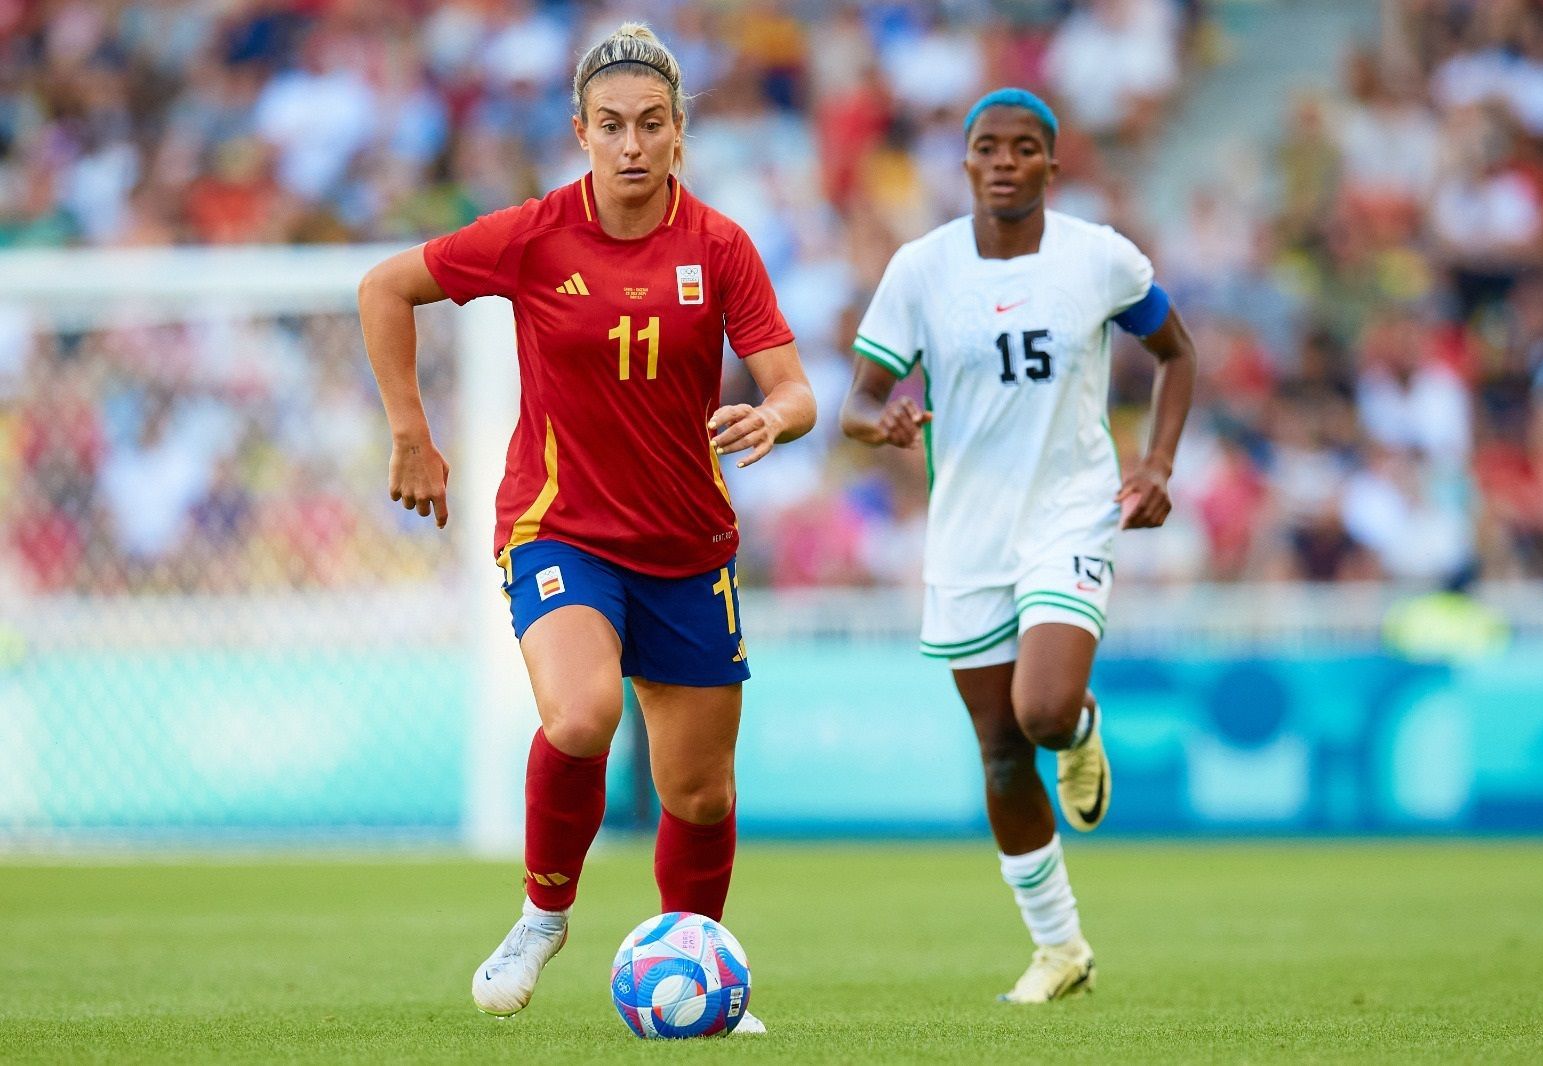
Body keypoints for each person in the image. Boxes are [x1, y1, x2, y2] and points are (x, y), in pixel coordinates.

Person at [357, 23, 815, 1030]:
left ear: (680, 133)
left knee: (697, 793)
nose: (632, 145)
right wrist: (408, 431)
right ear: (581, 131)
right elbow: (385, 285)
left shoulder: (721, 247)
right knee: (579, 716)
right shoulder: (532, 234)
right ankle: (541, 911)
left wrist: (773, 415)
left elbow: (794, 389)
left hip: (688, 546)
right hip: (559, 528)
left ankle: (695, 969)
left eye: (652, 125)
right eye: (611, 126)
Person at [840, 88, 1196, 1003]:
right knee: (999, 749)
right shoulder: (921, 269)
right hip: (966, 533)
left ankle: (1077, 726)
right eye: (987, 147)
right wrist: (884, 423)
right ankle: (1061, 950)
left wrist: (1155, 463)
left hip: (1070, 510)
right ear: (964, 163)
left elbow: (1177, 353)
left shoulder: (1098, 258)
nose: (1004, 161)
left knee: (1039, 712)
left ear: (1052, 163)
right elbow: (856, 400)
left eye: (1024, 147)